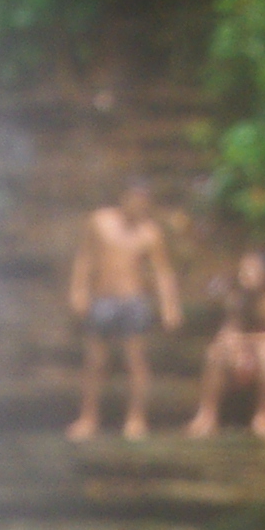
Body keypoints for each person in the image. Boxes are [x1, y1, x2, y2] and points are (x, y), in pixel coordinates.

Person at [64, 179, 183, 439]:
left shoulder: (150, 233)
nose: (140, 206)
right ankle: (88, 418)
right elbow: (85, 257)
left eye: (145, 202)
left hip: (134, 301)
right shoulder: (99, 221)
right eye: (136, 200)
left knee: (136, 362)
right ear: (124, 198)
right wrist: (78, 290)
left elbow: (163, 273)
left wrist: (169, 307)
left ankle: (136, 419)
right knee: (95, 361)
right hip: (103, 299)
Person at [189, 247, 265, 439]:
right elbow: (230, 329)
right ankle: (207, 414)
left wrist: (245, 342)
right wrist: (233, 347)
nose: (245, 274)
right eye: (243, 269)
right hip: (245, 353)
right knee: (216, 351)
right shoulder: (238, 296)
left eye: (251, 269)